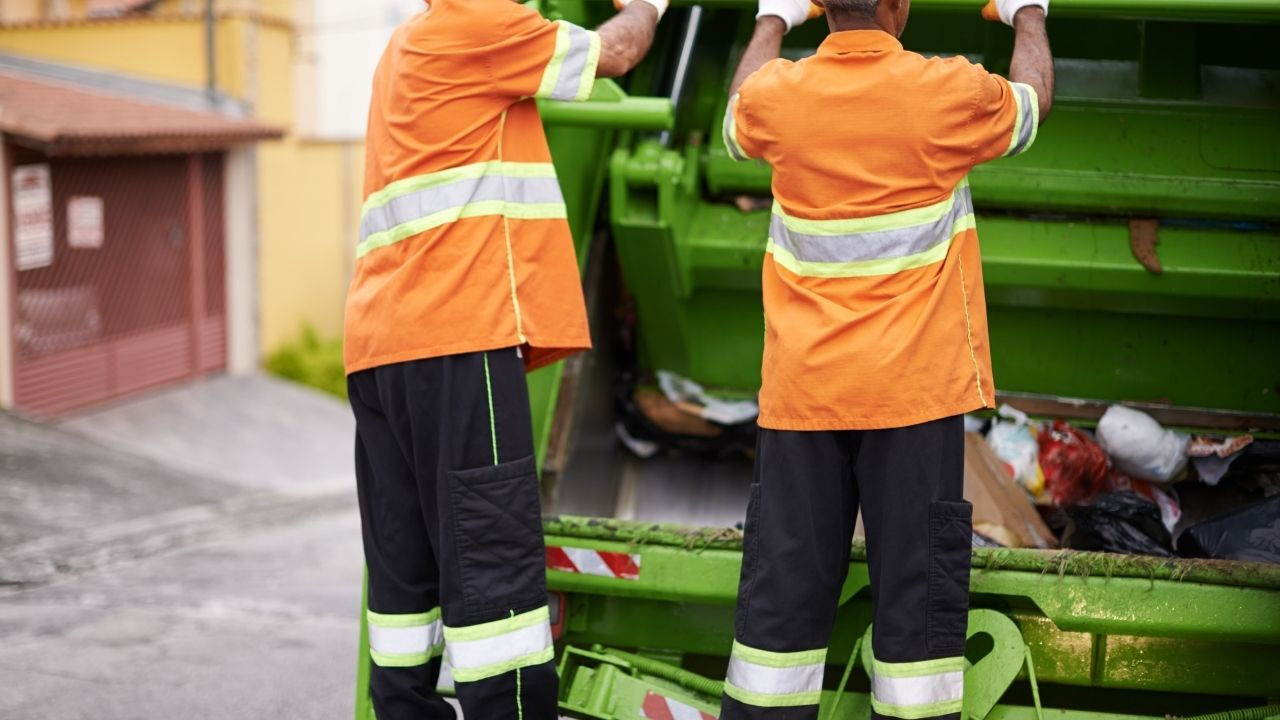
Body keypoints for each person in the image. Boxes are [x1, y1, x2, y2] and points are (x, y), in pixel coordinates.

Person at [718, 0, 1054, 717]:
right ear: (900, 5)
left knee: (782, 604)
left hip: (801, 398)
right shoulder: (947, 91)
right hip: (913, 397)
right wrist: (1029, 14)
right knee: (916, 609)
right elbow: (1033, 103)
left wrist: (772, 19)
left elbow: (737, 107)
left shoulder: (778, 96)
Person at [342, 0, 666, 717]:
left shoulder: (403, 48)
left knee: (404, 576)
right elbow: (616, 52)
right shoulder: (479, 24)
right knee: (493, 576)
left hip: (379, 348)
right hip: (458, 336)